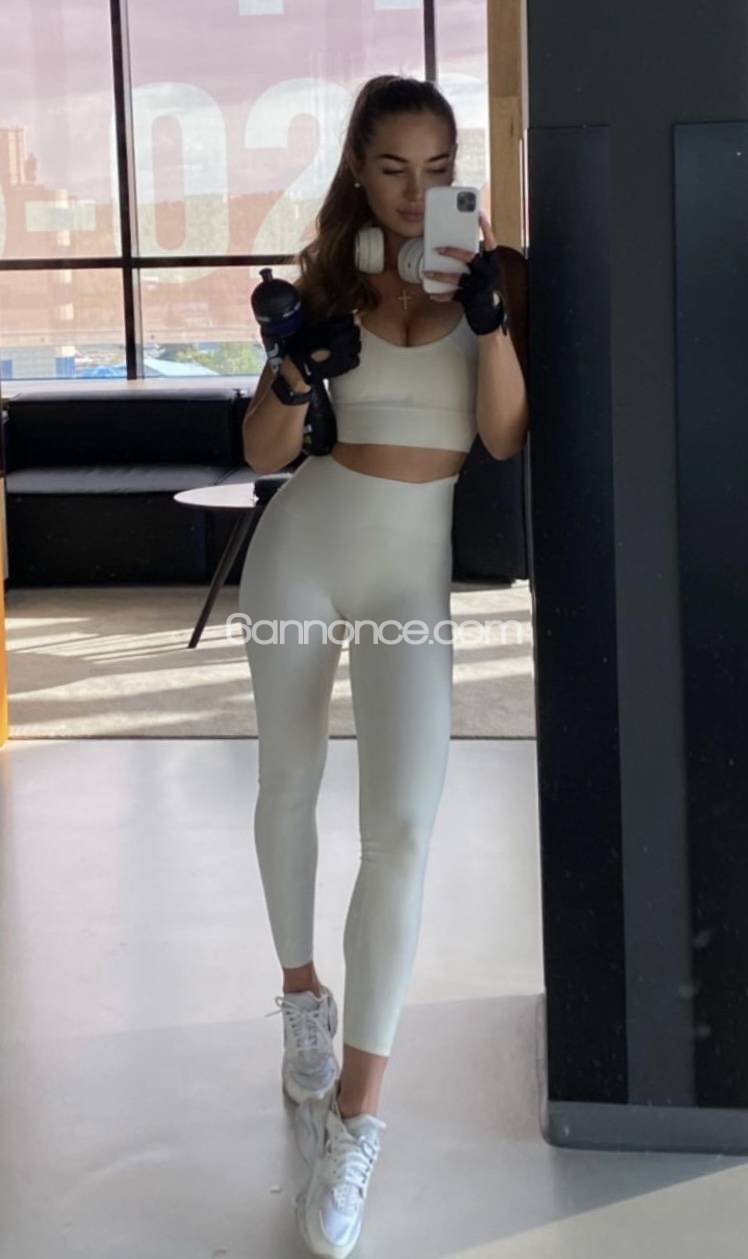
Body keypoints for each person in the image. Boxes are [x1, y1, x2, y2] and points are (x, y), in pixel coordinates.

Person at [239, 74, 528, 1258]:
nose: (417, 194)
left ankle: (358, 1120)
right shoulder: (328, 279)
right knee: (289, 782)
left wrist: (493, 321)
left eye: (438, 169)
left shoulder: (487, 276)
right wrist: (293, 369)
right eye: (394, 169)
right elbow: (261, 451)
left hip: (410, 579)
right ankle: (301, 998)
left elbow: (502, 434)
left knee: (402, 827)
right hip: (302, 554)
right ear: (360, 169)